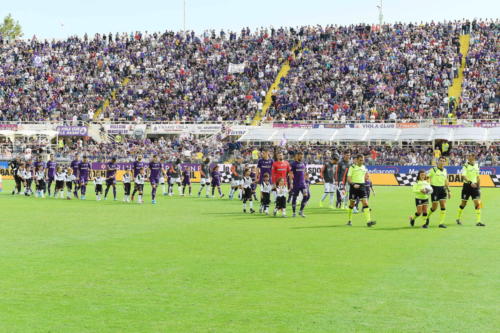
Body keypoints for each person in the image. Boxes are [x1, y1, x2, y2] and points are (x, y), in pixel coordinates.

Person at [347, 155, 376, 227]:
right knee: (352, 204)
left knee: (365, 203)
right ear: (356, 160)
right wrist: (353, 184)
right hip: (354, 187)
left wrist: (367, 178)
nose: (361, 161)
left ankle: (368, 221)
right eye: (360, 160)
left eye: (362, 160)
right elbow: (349, 178)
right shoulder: (352, 167)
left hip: (362, 187)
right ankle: (349, 220)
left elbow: (366, 176)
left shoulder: (364, 168)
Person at [456, 154, 485, 227]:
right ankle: (458, 218)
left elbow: (478, 177)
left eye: (470, 156)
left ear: (473, 157)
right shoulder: (465, 166)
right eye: (468, 156)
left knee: (478, 203)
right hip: (467, 186)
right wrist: (470, 182)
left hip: (475, 187)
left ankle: (478, 221)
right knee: (463, 204)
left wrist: (479, 188)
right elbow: (463, 176)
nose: (468, 157)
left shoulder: (477, 165)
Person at [425, 157, 450, 228]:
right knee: (434, 207)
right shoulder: (433, 170)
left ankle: (441, 223)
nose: (442, 162)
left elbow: (446, 181)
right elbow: (426, 176)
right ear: (438, 162)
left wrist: (449, 190)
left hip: (443, 189)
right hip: (435, 189)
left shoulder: (445, 170)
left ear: (445, 163)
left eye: (443, 161)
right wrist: (427, 184)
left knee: (443, 205)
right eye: (441, 161)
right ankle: (427, 217)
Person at [289, 151, 309, 218]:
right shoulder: (293, 164)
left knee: (306, 196)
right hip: (296, 183)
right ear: (297, 156)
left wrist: (306, 180)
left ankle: (301, 211)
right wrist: (291, 183)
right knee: (294, 197)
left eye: (302, 155)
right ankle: (294, 212)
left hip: (303, 183)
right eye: (300, 155)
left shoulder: (304, 163)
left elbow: (304, 172)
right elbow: (291, 174)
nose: (301, 157)